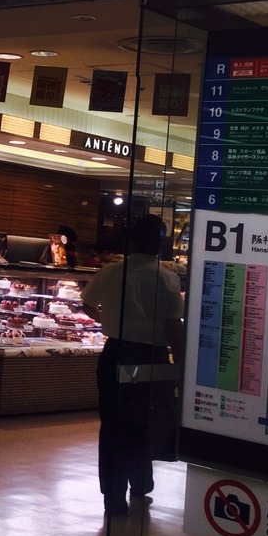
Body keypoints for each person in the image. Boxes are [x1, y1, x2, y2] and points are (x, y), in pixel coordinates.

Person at [81, 214, 184, 516]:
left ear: (131, 241)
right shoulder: (167, 278)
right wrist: (180, 366)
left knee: (112, 424)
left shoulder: (111, 271)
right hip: (150, 357)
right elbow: (173, 327)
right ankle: (140, 483)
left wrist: (109, 321)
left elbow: (87, 302)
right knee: (144, 421)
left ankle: (113, 496)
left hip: (115, 352)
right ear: (159, 244)